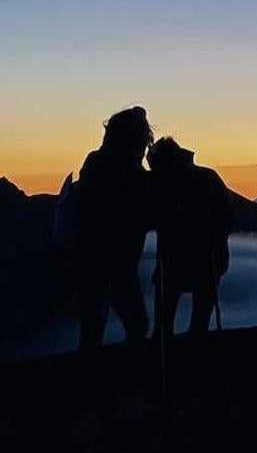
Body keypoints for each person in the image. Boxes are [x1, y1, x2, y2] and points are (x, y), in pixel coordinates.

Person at [75, 106, 154, 352]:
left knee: (94, 324)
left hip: (94, 256)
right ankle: (123, 379)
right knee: (134, 324)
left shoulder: (97, 163)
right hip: (112, 258)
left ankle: (92, 378)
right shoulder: (127, 174)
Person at [147, 137, 233, 342]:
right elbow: (227, 215)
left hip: (188, 258)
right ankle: (195, 358)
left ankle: (170, 359)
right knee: (199, 320)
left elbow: (224, 216)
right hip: (206, 257)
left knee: (165, 322)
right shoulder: (207, 177)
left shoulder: (162, 181)